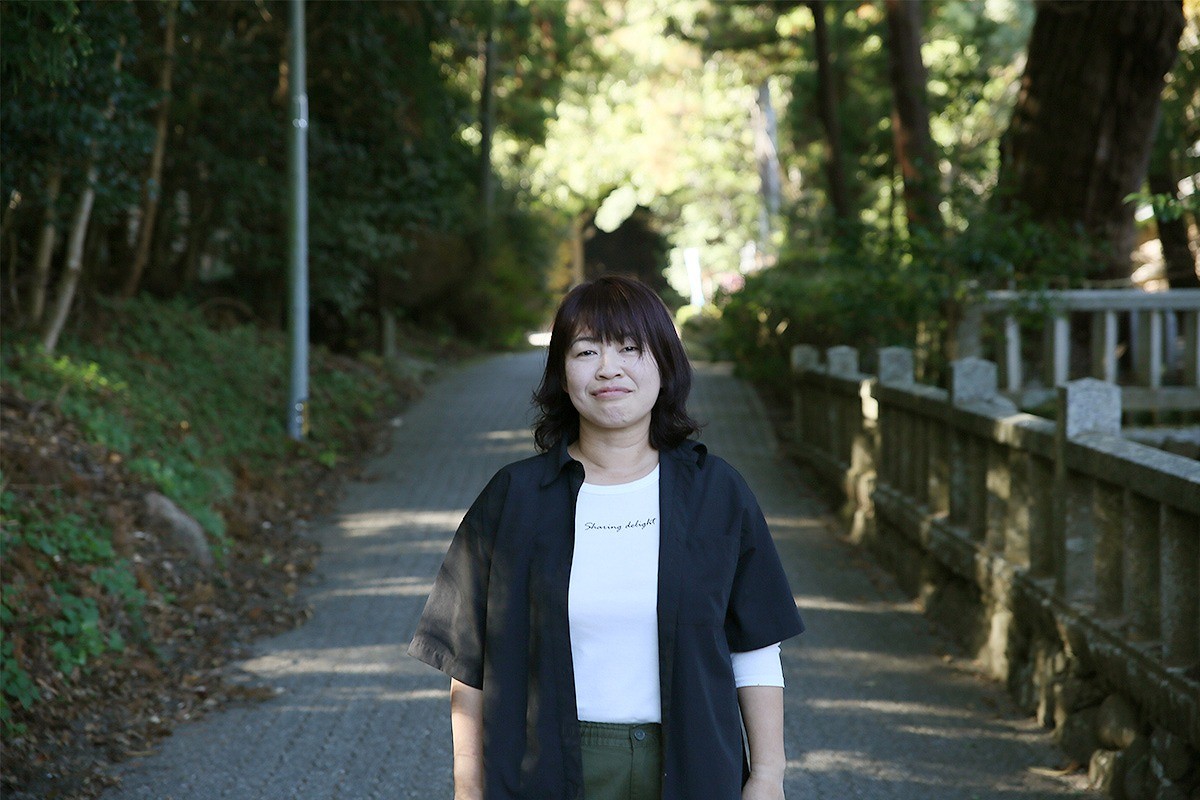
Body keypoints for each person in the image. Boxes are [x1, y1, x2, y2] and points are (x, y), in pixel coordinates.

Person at [408, 275, 805, 800]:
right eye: (586, 351)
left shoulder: (716, 493)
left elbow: (754, 646)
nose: (607, 368)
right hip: (548, 769)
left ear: (664, 364)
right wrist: (468, 788)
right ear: (562, 374)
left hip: (693, 765)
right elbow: (468, 665)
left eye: (630, 349)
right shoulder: (515, 498)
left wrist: (767, 776)